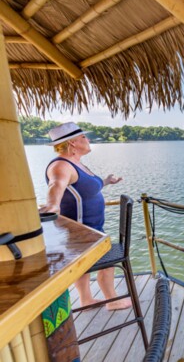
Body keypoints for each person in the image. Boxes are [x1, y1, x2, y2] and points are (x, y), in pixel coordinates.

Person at [40, 122, 131, 310]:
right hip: (82, 232)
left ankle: (86, 300)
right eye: (83, 137)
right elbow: (56, 184)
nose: (88, 140)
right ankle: (112, 301)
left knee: (84, 267)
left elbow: (87, 187)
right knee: (108, 263)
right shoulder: (60, 165)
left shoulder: (76, 163)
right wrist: (52, 205)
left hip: (92, 229)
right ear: (72, 142)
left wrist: (106, 181)